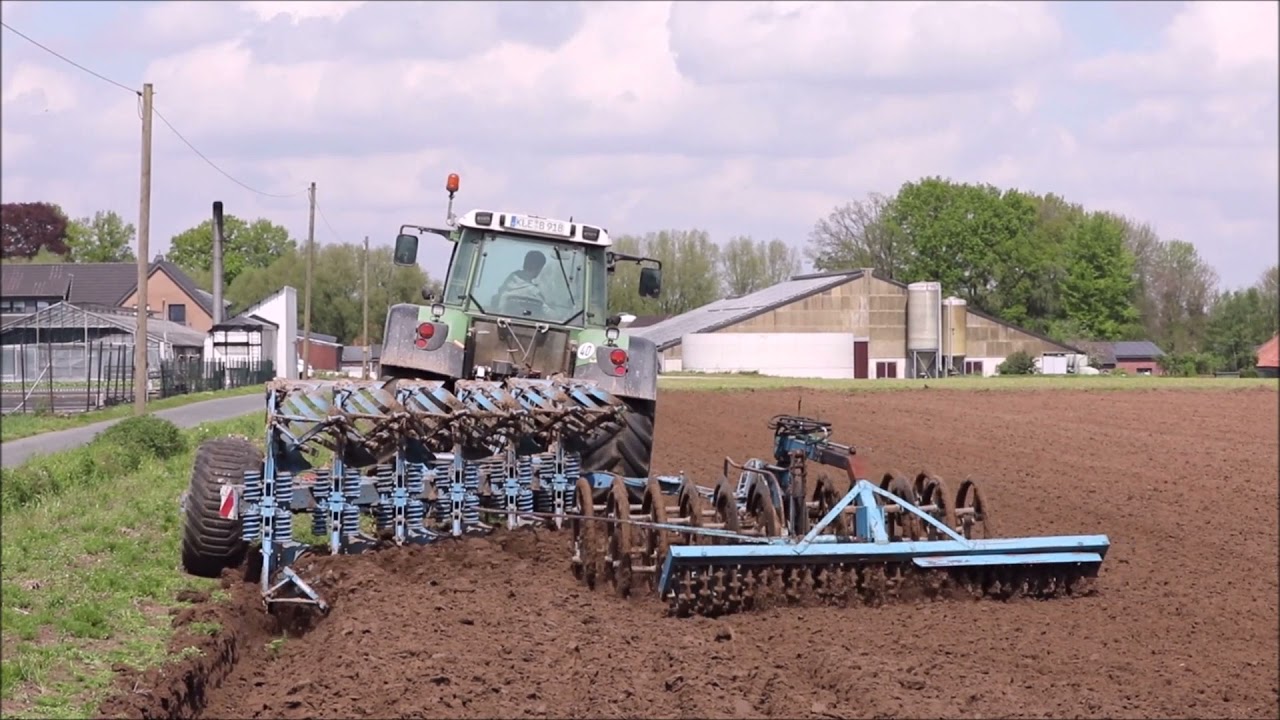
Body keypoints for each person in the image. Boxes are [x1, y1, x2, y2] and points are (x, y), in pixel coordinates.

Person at [491, 250, 547, 314]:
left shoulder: (510, 280)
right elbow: (546, 311)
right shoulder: (534, 292)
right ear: (537, 267)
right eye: (541, 268)